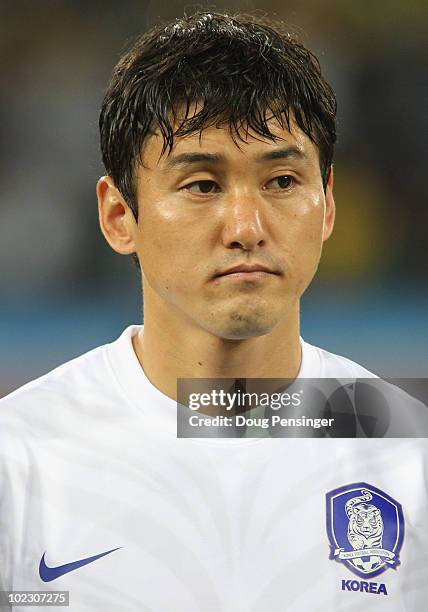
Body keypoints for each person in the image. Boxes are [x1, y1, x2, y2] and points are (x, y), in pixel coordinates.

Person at [0, 11, 426, 611]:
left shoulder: (410, 454)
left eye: (281, 181)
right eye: (202, 185)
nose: (247, 228)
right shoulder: (18, 457)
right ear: (119, 216)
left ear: (327, 204)